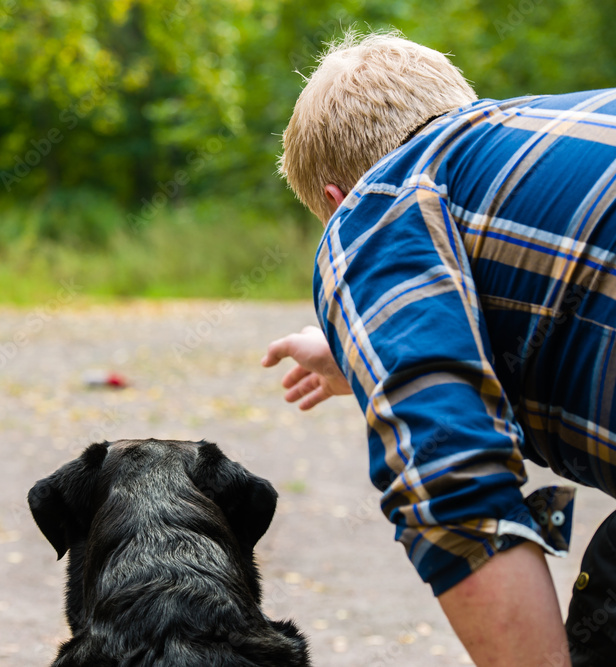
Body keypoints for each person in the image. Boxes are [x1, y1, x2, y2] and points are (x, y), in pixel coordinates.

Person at [262, 31, 616, 667]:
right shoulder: (558, 125)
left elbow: (450, 476)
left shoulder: (375, 204)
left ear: (335, 202)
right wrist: (354, 354)